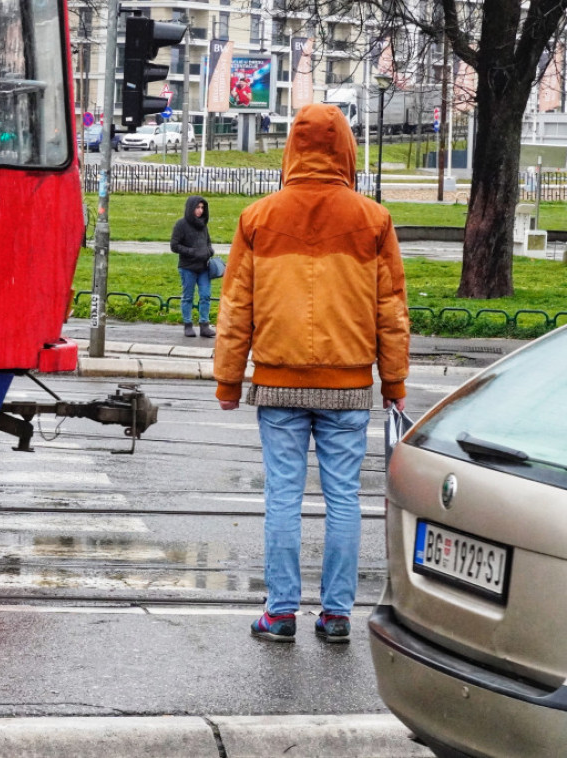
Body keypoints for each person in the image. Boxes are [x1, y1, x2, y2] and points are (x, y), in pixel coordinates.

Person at [214, 103, 409, 644]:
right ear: (345, 150)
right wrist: (393, 383)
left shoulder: (258, 218)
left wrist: (230, 379)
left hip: (277, 383)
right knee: (345, 498)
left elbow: (235, 306)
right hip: (348, 387)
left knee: (283, 496)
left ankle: (278, 614)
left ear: (292, 150)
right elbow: (390, 311)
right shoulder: (373, 220)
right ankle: (337, 614)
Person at [170, 195, 216, 338]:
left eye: (202, 207)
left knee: (205, 295)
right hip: (187, 267)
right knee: (188, 297)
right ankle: (188, 325)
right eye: (197, 207)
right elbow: (174, 246)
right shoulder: (181, 225)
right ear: (191, 208)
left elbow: (208, 242)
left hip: (203, 267)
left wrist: (209, 251)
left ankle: (204, 325)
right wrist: (192, 252)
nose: (200, 210)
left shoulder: (203, 225)